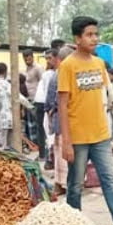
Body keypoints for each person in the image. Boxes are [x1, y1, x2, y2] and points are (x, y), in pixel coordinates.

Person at [58, 16, 113, 225]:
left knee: (109, 180)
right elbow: (63, 105)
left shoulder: (99, 63)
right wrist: (66, 142)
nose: (94, 39)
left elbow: (103, 98)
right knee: (75, 185)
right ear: (77, 38)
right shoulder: (67, 66)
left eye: (96, 34)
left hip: (100, 135)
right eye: (89, 35)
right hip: (78, 137)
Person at [0, 62, 29, 148]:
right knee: (11, 147)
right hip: (10, 119)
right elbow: (20, 98)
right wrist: (31, 106)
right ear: (5, 72)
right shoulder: (8, 85)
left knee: (1, 146)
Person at [46, 48, 68, 193]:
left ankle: (61, 183)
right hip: (66, 120)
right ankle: (63, 182)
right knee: (62, 152)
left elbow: (51, 101)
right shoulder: (62, 75)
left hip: (60, 120)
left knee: (60, 152)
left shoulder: (58, 75)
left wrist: (50, 111)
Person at [33, 51, 55, 161]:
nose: (48, 60)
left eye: (49, 58)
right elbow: (47, 92)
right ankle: (45, 155)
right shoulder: (48, 74)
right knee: (44, 129)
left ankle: (45, 155)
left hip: (44, 103)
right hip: (44, 103)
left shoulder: (49, 73)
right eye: (47, 58)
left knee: (45, 130)